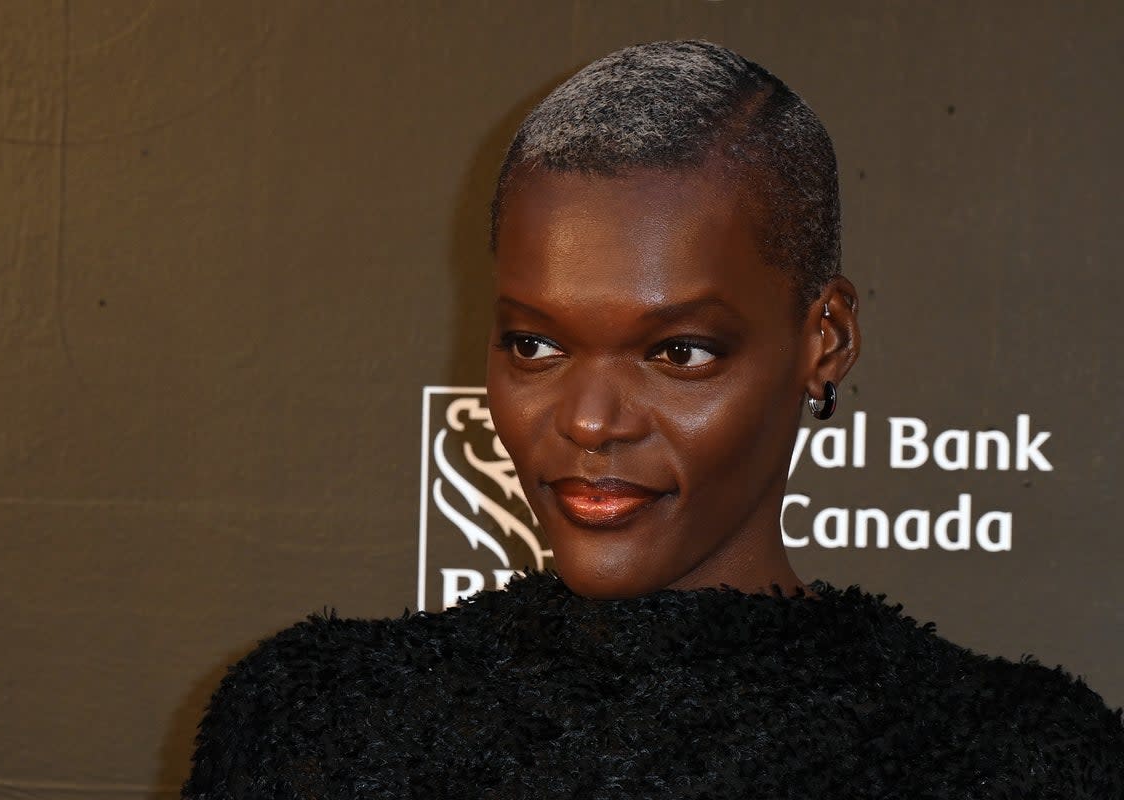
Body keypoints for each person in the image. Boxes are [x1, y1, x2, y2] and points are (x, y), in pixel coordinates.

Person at [183, 41, 1124, 798]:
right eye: (533, 346)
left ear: (825, 338)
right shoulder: (310, 719)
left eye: (678, 353)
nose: (589, 422)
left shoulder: (1011, 758)